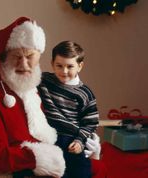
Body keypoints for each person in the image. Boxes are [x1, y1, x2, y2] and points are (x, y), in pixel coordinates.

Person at [0, 17, 66, 178]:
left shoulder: (23, 86)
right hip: (4, 169)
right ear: (2, 58)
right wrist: (38, 158)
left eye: (30, 56)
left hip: (26, 158)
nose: (24, 64)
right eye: (16, 56)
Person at [38, 40, 99, 178]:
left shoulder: (85, 93)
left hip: (72, 139)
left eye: (70, 66)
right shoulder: (44, 80)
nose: (64, 71)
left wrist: (79, 141)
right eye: (59, 66)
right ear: (52, 63)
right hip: (49, 137)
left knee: (81, 171)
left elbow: (90, 123)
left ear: (80, 66)